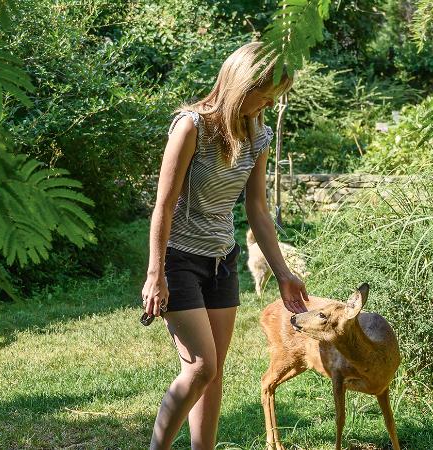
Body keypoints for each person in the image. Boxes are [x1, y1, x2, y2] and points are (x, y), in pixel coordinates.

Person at [141, 41, 309, 450]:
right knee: (200, 367)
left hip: (223, 262)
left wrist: (283, 274)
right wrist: (155, 274)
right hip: (179, 260)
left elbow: (257, 210)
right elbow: (163, 204)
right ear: (240, 85)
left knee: (214, 374)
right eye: (263, 96)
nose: (266, 106)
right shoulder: (191, 127)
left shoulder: (258, 136)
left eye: (273, 99)